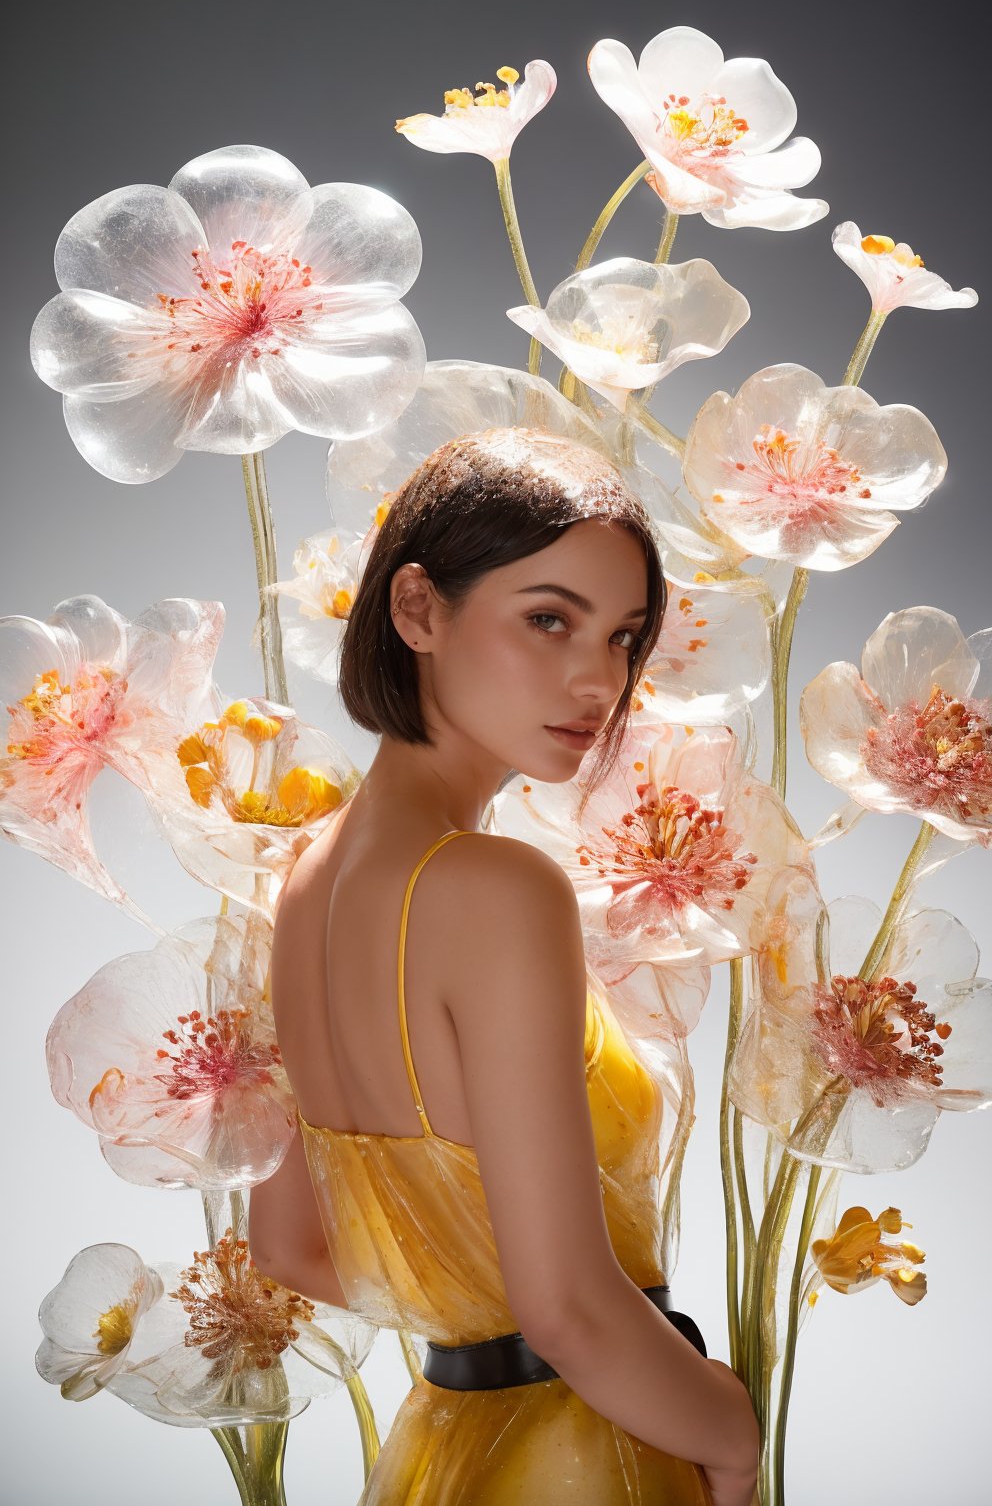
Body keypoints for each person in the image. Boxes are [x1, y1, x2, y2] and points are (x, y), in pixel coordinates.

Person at [247, 427, 760, 1505]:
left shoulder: (302, 880)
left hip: (448, 1450)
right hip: (590, 1455)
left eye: (623, 636)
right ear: (417, 609)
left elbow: (291, 1246)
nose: (596, 678)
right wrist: (725, 1424)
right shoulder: (496, 887)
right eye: (547, 619)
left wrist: (469, 1320)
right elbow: (569, 1308)